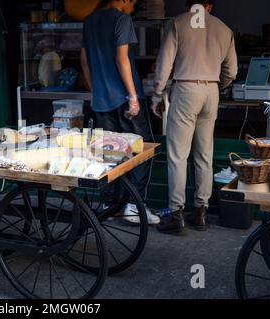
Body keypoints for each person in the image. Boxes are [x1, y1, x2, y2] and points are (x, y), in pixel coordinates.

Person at [151, 0, 238, 234]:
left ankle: (176, 213)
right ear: (209, 6)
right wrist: (217, 85)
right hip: (211, 91)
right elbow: (232, 71)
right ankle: (201, 212)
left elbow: (164, 64)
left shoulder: (177, 23)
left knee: (178, 155)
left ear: (188, 5)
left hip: (186, 89)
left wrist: (157, 94)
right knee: (204, 154)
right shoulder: (224, 28)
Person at [81, 0, 159, 224]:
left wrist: (96, 90)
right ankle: (134, 206)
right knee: (142, 151)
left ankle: (110, 205)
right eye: (133, 1)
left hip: (102, 102)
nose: (133, 6)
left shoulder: (90, 21)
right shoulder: (121, 20)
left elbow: (84, 61)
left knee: (110, 154)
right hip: (124, 99)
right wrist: (133, 97)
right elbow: (121, 58)